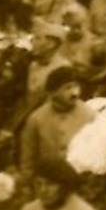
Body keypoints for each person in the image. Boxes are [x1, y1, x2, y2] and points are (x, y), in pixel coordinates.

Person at [17, 67, 93, 199]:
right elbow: (28, 157)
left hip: (79, 184)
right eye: (67, 88)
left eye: (76, 86)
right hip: (48, 186)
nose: (74, 92)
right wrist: (28, 184)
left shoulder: (89, 114)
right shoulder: (36, 119)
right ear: (53, 93)